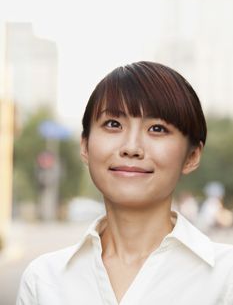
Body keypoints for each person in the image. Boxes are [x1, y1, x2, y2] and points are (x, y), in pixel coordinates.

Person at [16, 61, 233, 304]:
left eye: (158, 128)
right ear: (85, 146)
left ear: (192, 156)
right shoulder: (44, 281)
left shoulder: (226, 278)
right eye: (113, 124)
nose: (131, 148)